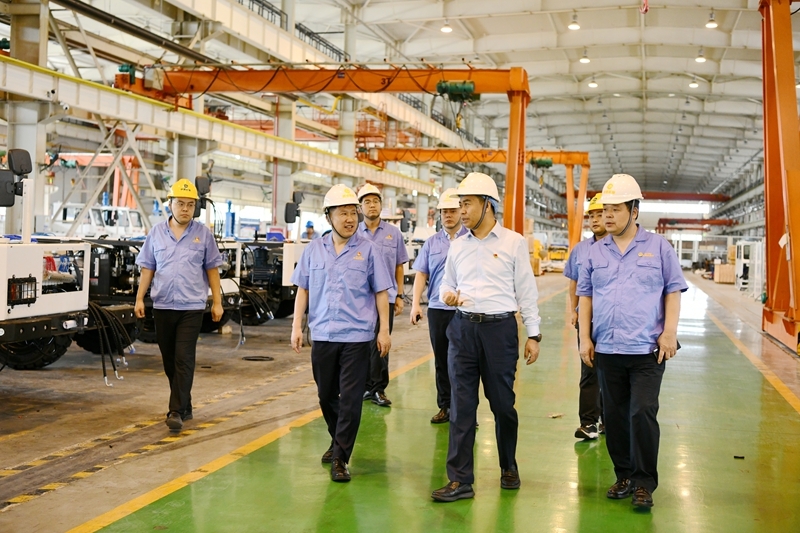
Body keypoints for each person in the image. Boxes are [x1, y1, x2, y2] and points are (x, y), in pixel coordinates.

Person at [577, 174, 687, 509]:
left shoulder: (658, 247)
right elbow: (585, 296)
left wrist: (669, 332)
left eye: (615, 209)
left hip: (646, 350)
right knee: (614, 416)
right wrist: (584, 338)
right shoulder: (595, 252)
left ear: (634, 211)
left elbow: (673, 290)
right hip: (607, 349)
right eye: (605, 209)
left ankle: (643, 482)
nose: (607, 215)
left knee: (642, 412)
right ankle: (623, 475)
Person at [431, 172, 542, 503]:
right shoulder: (457, 246)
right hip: (463, 330)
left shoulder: (513, 243)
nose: (461, 211)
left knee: (503, 404)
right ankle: (460, 479)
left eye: (467, 204)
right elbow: (447, 283)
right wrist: (448, 295)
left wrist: (533, 334)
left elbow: (526, 291)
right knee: (461, 406)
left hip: (499, 331)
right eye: (460, 204)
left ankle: (508, 465)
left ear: (488, 205)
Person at [290, 184, 393, 483]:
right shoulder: (314, 249)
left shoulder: (368, 250)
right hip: (323, 333)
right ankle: (338, 439)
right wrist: (296, 326)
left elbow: (381, 292)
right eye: (343, 213)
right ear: (329, 217)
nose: (350, 218)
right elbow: (303, 289)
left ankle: (340, 457)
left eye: (353, 212)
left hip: (357, 336)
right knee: (326, 395)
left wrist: (384, 331)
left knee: (350, 398)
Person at [135, 178, 224, 431]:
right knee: (169, 360)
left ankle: (175, 411)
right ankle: (185, 403)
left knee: (184, 358)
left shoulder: (203, 235)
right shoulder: (156, 233)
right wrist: (139, 298)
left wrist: (217, 302)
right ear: (170, 204)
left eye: (190, 204)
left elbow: (212, 270)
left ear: (195, 207)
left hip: (191, 307)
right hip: (163, 305)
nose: (185, 209)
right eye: (180, 203)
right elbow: (148, 268)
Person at [409, 188, 468, 424]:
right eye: (444, 212)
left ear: (461, 212)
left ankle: (465, 410)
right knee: (442, 360)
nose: (448, 215)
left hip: (464, 311)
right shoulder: (432, 243)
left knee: (464, 362)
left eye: (452, 211)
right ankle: (445, 405)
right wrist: (415, 304)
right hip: (438, 309)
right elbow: (421, 274)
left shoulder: (471, 239)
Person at [357, 183, 409, 407]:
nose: (372, 205)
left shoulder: (393, 233)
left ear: (381, 205)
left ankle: (378, 389)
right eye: (367, 202)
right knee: (359, 344)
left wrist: (399, 296)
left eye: (376, 201)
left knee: (381, 343)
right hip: (359, 299)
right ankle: (363, 387)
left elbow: (399, 266)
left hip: (385, 298)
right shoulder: (353, 232)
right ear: (360, 207)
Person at [563, 193, 607, 440]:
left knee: (611, 372)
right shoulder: (580, 250)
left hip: (612, 320)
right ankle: (589, 422)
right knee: (589, 368)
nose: (595, 219)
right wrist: (574, 310)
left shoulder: (620, 248)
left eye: (600, 214)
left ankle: (609, 420)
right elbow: (574, 283)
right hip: (587, 319)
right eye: (591, 215)